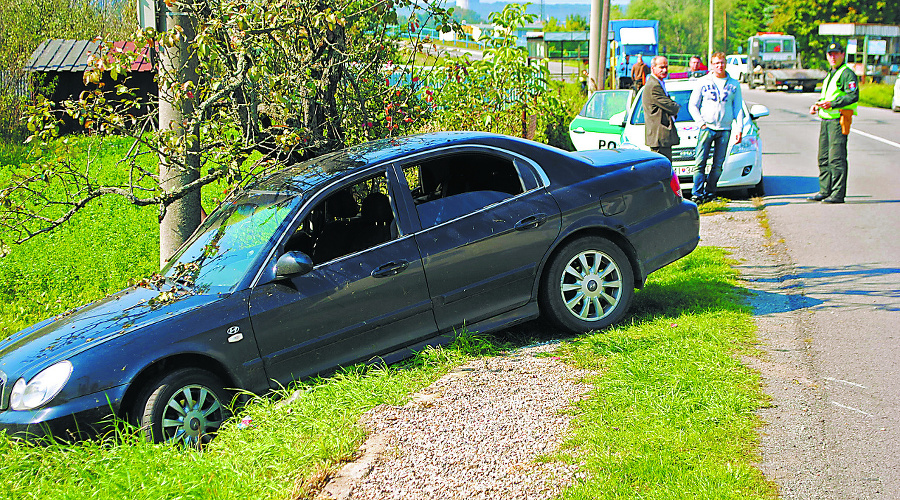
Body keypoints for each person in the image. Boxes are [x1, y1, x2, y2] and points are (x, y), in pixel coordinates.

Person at [688, 52, 744, 203]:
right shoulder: (703, 81)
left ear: (726, 64)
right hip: (707, 128)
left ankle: (711, 192)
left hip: (725, 129)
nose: (720, 66)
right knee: (700, 162)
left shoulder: (734, 84)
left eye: (722, 63)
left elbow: (738, 107)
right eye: (716, 63)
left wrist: (739, 128)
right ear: (711, 65)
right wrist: (701, 123)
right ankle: (697, 194)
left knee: (718, 164)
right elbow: (692, 105)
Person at [808, 41, 858, 204]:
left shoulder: (846, 73)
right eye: (830, 54)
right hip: (826, 119)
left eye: (836, 53)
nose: (833, 57)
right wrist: (818, 104)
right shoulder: (831, 73)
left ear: (843, 55)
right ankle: (825, 190)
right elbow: (827, 96)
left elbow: (852, 95)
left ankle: (837, 194)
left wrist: (832, 104)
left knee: (836, 158)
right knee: (823, 158)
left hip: (838, 119)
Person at [642, 55, 680, 163]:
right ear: (653, 68)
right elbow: (671, 107)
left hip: (662, 139)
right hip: (659, 137)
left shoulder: (659, 83)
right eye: (661, 67)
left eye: (666, 67)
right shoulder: (654, 86)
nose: (665, 70)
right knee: (662, 170)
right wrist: (676, 106)